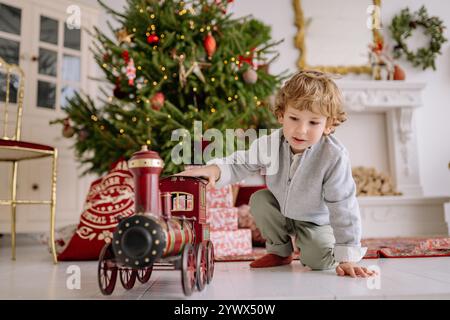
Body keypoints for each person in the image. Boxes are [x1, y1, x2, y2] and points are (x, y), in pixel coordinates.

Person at [177, 70, 376, 278]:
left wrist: (347, 256)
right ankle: (280, 251)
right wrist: (214, 170)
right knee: (260, 199)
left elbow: (343, 205)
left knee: (316, 260)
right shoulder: (271, 143)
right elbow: (240, 163)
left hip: (315, 220)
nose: (301, 130)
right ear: (281, 115)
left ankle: (318, 248)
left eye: (313, 123)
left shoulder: (334, 157)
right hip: (281, 210)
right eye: (294, 118)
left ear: (328, 125)